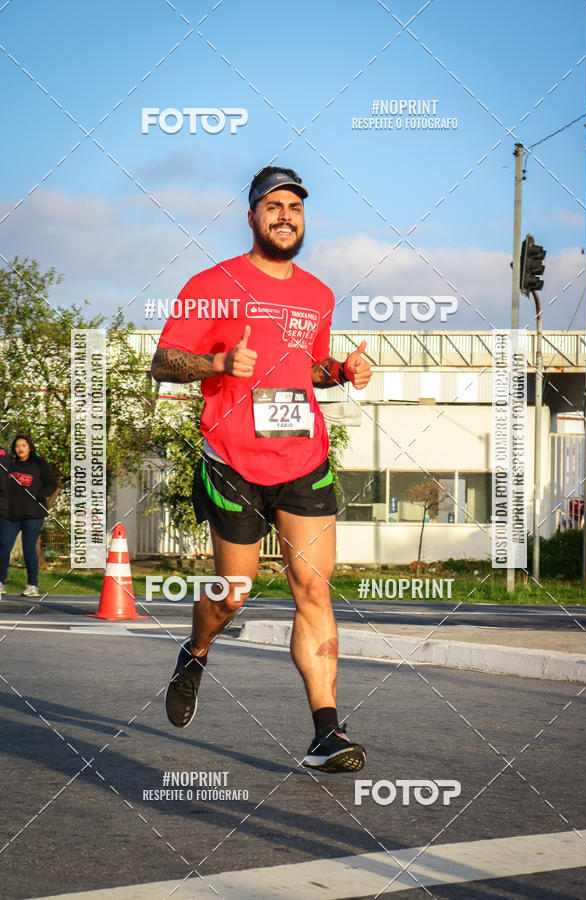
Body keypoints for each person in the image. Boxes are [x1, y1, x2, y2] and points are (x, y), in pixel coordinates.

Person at [151, 166, 372, 772]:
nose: (285, 216)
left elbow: (308, 369)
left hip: (303, 458)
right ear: (251, 217)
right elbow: (163, 361)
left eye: (294, 208)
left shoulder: (318, 294)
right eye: (273, 206)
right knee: (233, 593)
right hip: (233, 461)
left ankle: (326, 733)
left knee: (314, 588)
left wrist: (340, 371)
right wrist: (219, 362)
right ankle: (196, 650)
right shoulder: (212, 284)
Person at [0, 435, 57, 597]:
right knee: (3, 545)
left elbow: (52, 484)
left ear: (29, 447)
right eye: (17, 446)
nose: (20, 449)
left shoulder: (39, 464)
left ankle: (32, 585)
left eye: (23, 445)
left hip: (33, 513)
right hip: (11, 513)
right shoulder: (10, 465)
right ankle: (1, 582)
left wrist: (41, 495)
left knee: (28, 548)